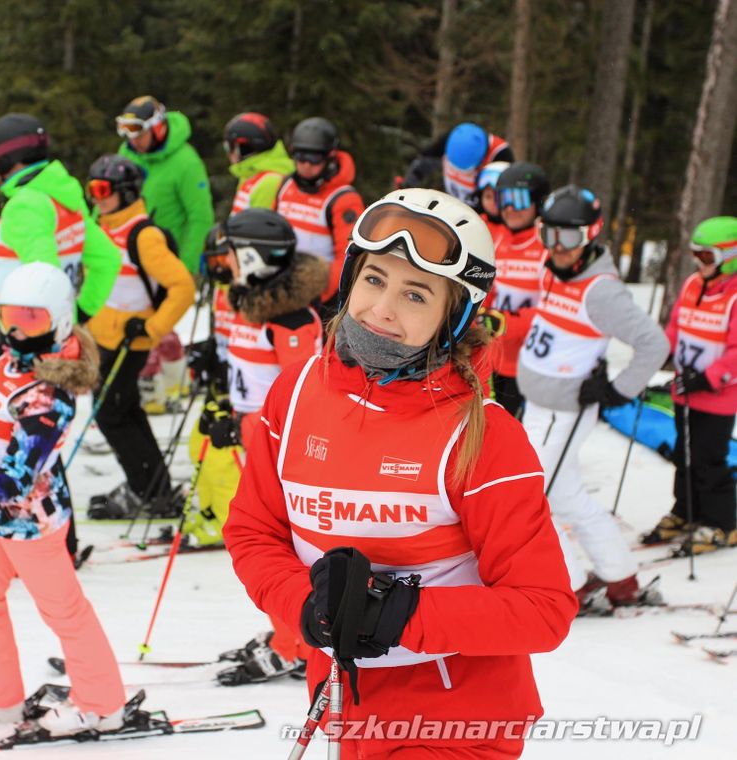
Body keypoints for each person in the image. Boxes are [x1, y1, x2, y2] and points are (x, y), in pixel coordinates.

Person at [223, 188, 576, 758]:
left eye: (416, 294)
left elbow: (544, 607)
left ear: (454, 316)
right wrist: (303, 608)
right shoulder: (294, 394)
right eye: (373, 279)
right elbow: (253, 532)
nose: (382, 308)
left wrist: (402, 615)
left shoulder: (481, 435)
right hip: (346, 702)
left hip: (457, 720)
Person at [0, 262, 127, 737]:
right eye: (7, 317)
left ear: (57, 321)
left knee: (63, 611)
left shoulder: (49, 396)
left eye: (29, 320)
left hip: (30, 523)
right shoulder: (3, 364)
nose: (14, 330)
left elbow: (18, 474)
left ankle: (103, 704)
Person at [187, 210, 327, 686]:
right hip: (254, 437)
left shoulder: (291, 318)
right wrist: (222, 401)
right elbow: (247, 369)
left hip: (281, 450)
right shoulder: (248, 301)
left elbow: (305, 396)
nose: (224, 260)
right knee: (265, 543)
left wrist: (248, 424)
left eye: (231, 251)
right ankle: (284, 633)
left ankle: (297, 646)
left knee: (282, 546)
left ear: (253, 256)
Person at [517, 185, 668, 610]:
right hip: (539, 405)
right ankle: (620, 577)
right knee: (565, 496)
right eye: (549, 235)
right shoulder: (551, 270)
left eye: (569, 238)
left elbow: (653, 344)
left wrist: (617, 391)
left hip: (563, 412)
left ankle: (571, 582)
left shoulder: (601, 290)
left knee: (531, 499)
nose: (557, 248)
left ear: (592, 235)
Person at [81, 154, 195, 519]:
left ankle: (147, 489)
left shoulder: (142, 235)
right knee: (123, 411)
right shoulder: (101, 226)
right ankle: (153, 486)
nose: (95, 197)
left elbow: (182, 287)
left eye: (103, 190)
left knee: (112, 414)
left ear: (126, 192)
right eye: (91, 189)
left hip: (129, 340)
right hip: (103, 337)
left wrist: (151, 327)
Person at [0, 113, 121, 380]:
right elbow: (108, 259)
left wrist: (27, 332)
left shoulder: (25, 204)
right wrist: (78, 313)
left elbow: (42, 274)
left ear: (5, 161)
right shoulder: (65, 200)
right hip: (47, 331)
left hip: (13, 331)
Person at [643, 216, 737, 555]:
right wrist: (655, 354)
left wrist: (708, 378)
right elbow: (675, 329)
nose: (699, 262)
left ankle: (722, 523)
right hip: (685, 390)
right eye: (696, 254)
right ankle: (686, 511)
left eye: (707, 256)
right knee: (683, 457)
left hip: (716, 397)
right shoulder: (692, 285)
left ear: (730, 256)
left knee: (708, 459)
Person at [275, 117, 365, 311]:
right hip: (282, 290)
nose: (306, 164)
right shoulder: (285, 186)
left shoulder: (343, 199)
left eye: (314, 158)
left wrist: (318, 295)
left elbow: (349, 255)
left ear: (329, 157)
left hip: (318, 298)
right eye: (300, 157)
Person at [115, 95, 214, 274]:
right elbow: (110, 198)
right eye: (128, 135)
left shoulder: (186, 163)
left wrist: (185, 267)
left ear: (157, 128)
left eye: (139, 134)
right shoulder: (128, 153)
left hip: (167, 261)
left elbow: (200, 217)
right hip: (127, 259)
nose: (133, 141)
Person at [484, 162, 550, 417]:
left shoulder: (546, 246)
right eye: (503, 199)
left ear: (538, 202)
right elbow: (488, 291)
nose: (510, 208)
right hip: (495, 358)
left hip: (529, 364)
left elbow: (550, 309)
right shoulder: (499, 240)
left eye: (519, 200)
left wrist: (503, 323)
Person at [403, 122, 513, 202]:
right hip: (454, 203)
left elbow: (507, 194)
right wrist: (408, 185)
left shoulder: (500, 154)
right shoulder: (452, 138)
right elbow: (425, 162)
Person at [224, 113, 294, 215]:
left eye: (229, 146)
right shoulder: (249, 174)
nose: (229, 153)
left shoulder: (269, 182)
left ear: (246, 148)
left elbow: (258, 227)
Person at [472, 160, 510, 246]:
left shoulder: (520, 226)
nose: (493, 202)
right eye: (488, 197)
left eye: (499, 197)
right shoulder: (475, 224)